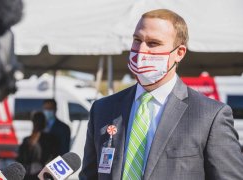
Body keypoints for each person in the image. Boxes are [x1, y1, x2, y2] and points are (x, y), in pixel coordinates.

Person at [79, 9, 243, 180]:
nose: (141, 50)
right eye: (137, 40)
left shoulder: (210, 115)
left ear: (179, 53)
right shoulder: (103, 109)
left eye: (153, 43)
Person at [17, 111, 60, 180]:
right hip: (30, 175)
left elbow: (54, 158)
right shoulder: (26, 140)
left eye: (39, 121)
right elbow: (20, 159)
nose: (37, 123)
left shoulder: (50, 139)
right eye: (36, 121)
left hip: (41, 174)